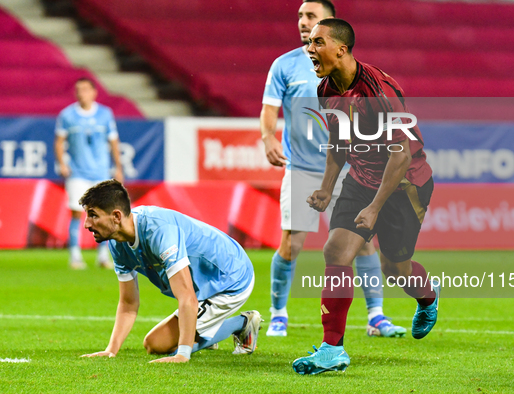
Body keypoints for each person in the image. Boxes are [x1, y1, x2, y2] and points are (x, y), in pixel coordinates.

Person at [292, 19, 440, 375]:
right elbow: (338, 145)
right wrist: (328, 186)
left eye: (318, 42)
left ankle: (428, 297)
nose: (309, 48)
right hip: (361, 179)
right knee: (336, 251)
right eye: (309, 43)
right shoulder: (325, 87)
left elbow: (401, 154)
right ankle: (332, 350)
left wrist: (375, 207)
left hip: (404, 185)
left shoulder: (379, 90)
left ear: (341, 49)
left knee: (395, 270)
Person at [261, 0, 405, 339]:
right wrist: (268, 136)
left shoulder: (351, 72)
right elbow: (268, 109)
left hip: (350, 168)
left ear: (329, 23)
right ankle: (278, 312)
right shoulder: (284, 66)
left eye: (309, 17)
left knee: (363, 240)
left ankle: (376, 316)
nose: (302, 22)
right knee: (292, 243)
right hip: (303, 168)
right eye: (299, 16)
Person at [78, 180, 261, 363]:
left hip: (230, 278)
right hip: (204, 284)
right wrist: (111, 350)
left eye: (93, 215)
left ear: (116, 216)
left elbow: (187, 298)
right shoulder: (118, 244)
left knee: (164, 346)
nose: (87, 224)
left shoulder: (159, 232)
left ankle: (244, 323)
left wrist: (183, 354)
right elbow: (128, 304)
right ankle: (204, 330)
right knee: (153, 344)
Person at [54, 77, 124, 270]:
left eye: (85, 89)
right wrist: (62, 163)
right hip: (77, 172)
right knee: (77, 213)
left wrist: (118, 167)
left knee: (105, 215)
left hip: (100, 172)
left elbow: (113, 141)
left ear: (94, 92)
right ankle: (75, 255)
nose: (81, 93)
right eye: (78, 90)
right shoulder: (67, 115)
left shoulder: (105, 114)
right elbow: (59, 141)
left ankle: (103, 256)